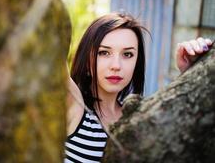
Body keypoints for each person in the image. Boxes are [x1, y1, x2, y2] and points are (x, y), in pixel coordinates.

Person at [64, 12, 213, 163]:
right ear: (87, 60)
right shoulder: (73, 105)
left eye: (127, 54)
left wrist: (190, 73)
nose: (116, 65)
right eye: (104, 53)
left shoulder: (139, 115)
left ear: (137, 63)